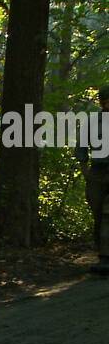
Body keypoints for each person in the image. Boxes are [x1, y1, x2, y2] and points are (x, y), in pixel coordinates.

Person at [77, 86, 109, 273]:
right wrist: (85, 171)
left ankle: (105, 258)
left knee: (107, 214)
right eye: (105, 101)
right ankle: (101, 251)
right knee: (98, 212)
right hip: (97, 172)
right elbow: (81, 147)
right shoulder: (92, 122)